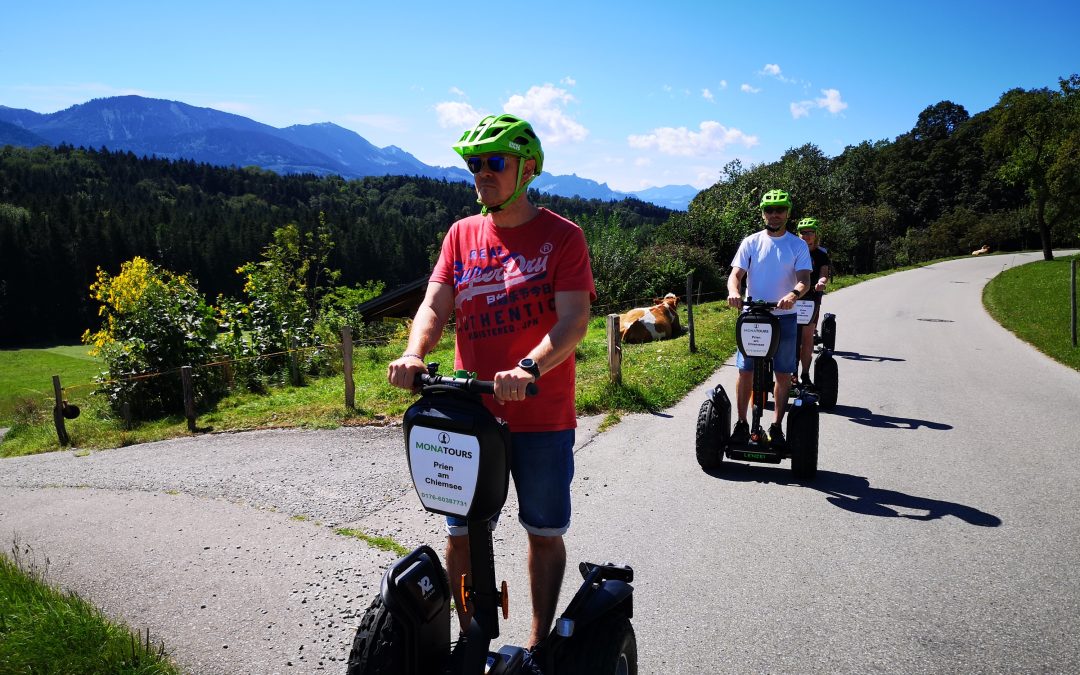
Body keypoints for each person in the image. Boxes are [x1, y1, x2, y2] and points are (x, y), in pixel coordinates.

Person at [386, 113, 596, 657]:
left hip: (540, 412)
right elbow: (435, 303)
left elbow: (573, 321)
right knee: (459, 531)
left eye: (494, 162)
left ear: (527, 169)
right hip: (470, 416)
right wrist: (415, 352)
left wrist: (528, 368)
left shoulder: (563, 237)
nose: (482, 172)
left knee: (543, 531)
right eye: (475, 163)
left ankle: (538, 645)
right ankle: (469, 640)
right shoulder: (461, 234)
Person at [726, 189, 812, 449]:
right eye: (770, 210)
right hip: (753, 316)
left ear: (787, 213)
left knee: (783, 373)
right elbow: (736, 275)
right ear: (763, 212)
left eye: (780, 210)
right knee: (745, 369)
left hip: (784, 316)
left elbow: (805, 280)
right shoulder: (751, 242)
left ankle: (776, 427)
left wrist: (793, 295)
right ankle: (742, 424)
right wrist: (733, 291)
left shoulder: (797, 245)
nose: (774, 215)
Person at [795, 217, 832, 384]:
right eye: (803, 233)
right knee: (791, 338)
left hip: (811, 299)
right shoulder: (793, 250)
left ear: (816, 234)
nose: (806, 236)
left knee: (807, 337)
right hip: (793, 298)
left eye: (810, 233)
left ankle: (804, 374)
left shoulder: (821, 254)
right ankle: (792, 375)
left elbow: (824, 272)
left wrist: (821, 282)